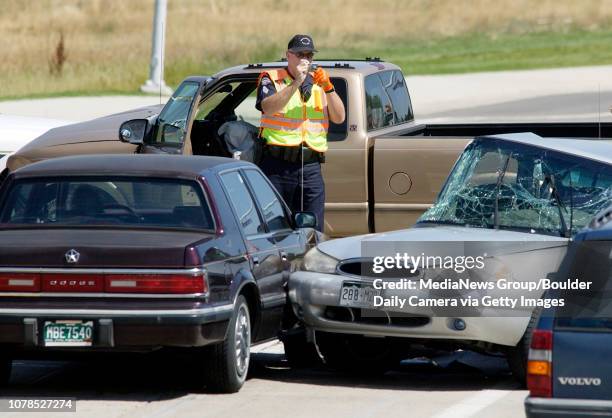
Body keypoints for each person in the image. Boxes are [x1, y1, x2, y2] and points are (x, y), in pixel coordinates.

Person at [256, 34, 345, 232]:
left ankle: (310, 262)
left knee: (312, 229)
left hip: (310, 167)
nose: (305, 59)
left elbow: (339, 117)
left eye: (309, 55)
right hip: (278, 167)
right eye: (300, 54)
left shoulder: (319, 84)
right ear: (289, 55)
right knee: (276, 228)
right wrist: (296, 82)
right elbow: (268, 107)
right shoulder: (271, 78)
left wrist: (329, 88)